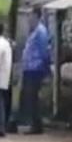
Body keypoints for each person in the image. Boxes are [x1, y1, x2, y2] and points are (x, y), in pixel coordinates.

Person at [18, 7, 51, 135]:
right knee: (30, 97)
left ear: (36, 16)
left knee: (33, 97)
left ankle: (37, 125)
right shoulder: (34, 31)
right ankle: (34, 123)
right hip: (29, 68)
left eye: (30, 15)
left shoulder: (41, 32)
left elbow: (43, 52)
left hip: (35, 68)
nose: (28, 18)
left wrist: (45, 68)